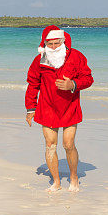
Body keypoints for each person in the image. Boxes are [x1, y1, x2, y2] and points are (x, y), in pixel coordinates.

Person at [25, 25, 94, 192]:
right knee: (50, 145)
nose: (54, 47)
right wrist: (30, 109)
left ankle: (73, 177)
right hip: (47, 107)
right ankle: (56, 182)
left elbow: (88, 78)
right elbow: (33, 84)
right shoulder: (39, 61)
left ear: (64, 41)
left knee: (68, 144)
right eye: (50, 44)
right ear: (45, 44)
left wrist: (73, 84)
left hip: (70, 107)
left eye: (57, 43)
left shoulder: (76, 56)